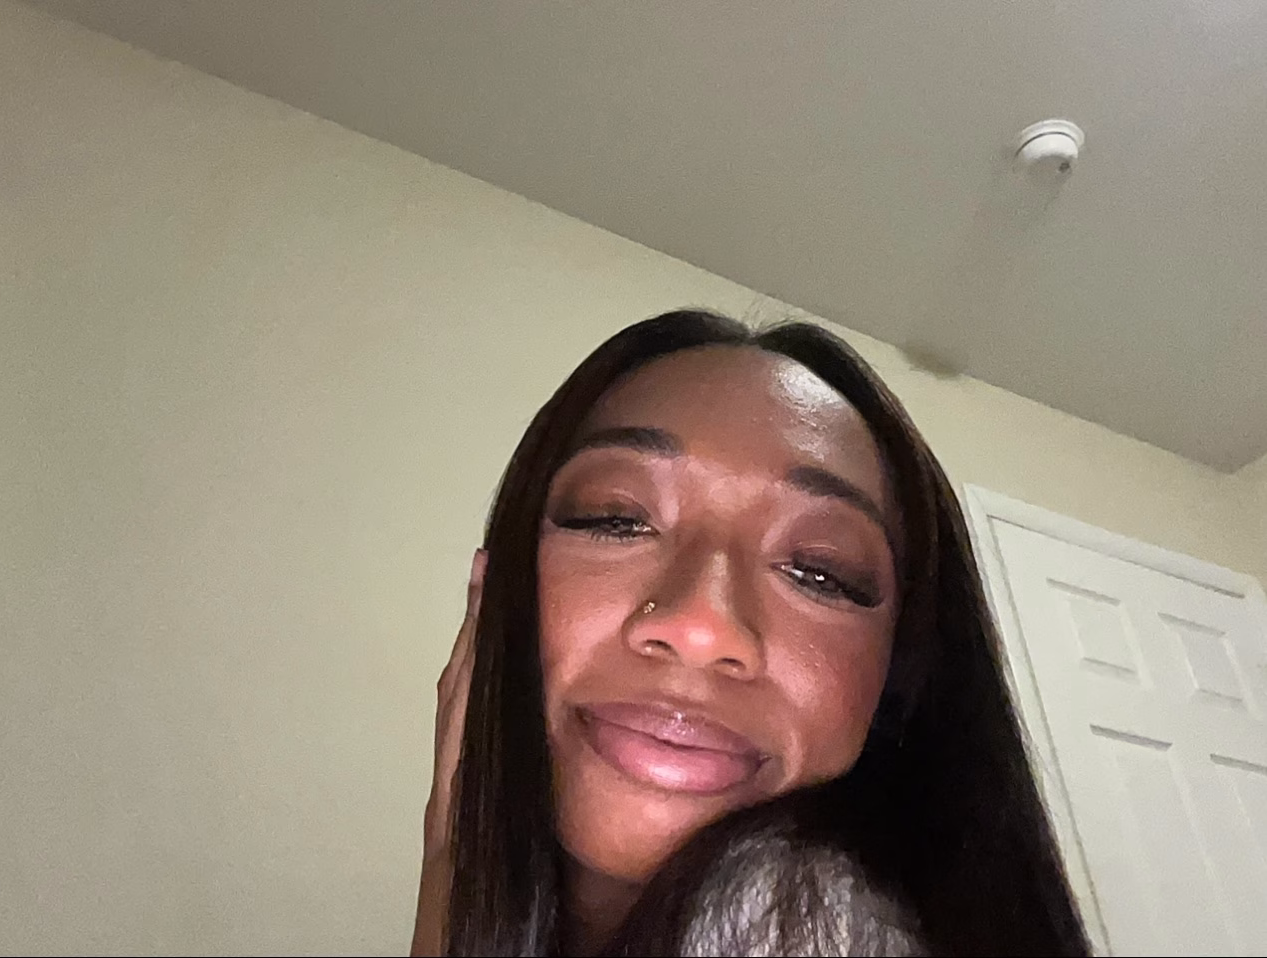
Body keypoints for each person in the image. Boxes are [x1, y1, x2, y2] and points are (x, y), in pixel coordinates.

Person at [411, 309, 1090, 957]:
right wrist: (453, 865)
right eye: (614, 518)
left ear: (898, 680)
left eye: (820, 572)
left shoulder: (806, 917)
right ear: (498, 593)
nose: (701, 626)